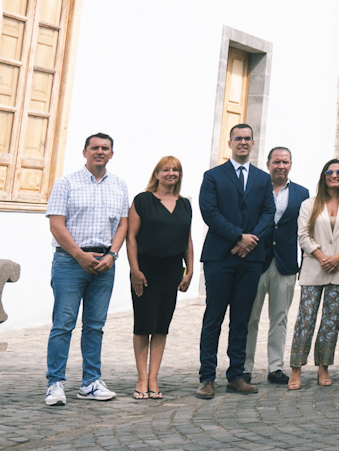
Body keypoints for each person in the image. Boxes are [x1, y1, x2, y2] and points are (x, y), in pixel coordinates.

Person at [44, 132, 130, 406]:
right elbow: (57, 224)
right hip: (70, 262)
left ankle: (91, 382)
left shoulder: (119, 185)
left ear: (111, 154)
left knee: (95, 326)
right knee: (63, 325)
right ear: (85, 152)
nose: (100, 152)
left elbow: (123, 225)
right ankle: (55, 384)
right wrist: (79, 255)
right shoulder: (66, 183)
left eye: (105, 148)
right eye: (95, 147)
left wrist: (114, 255)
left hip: (105, 263)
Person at [197, 123, 273, 399]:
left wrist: (250, 240)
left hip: (251, 260)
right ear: (230, 143)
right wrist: (239, 236)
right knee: (213, 318)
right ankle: (207, 378)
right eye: (238, 138)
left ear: (253, 144)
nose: (242, 142)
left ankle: (236, 375)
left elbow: (269, 213)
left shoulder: (263, 179)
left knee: (241, 319)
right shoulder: (213, 176)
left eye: (247, 139)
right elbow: (210, 212)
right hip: (219, 258)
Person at [126, 156, 194, 399]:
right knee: (144, 324)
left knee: (161, 325)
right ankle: (141, 378)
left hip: (172, 270)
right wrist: (135, 270)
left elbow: (187, 239)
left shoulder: (185, 204)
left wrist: (190, 270)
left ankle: (154, 377)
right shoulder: (142, 201)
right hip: (145, 269)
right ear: (156, 174)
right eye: (165, 169)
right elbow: (131, 237)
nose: (171, 173)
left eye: (175, 170)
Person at [290, 159, 339, 389]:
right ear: (323, 176)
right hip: (314, 266)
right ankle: (296, 368)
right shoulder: (309, 204)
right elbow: (303, 235)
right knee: (305, 319)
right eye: (330, 172)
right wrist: (321, 256)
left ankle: (323, 367)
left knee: (331, 321)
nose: (334, 175)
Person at [243, 147, 307, 386]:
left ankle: (275, 368)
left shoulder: (302, 193)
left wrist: (303, 262)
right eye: (277, 161)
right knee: (250, 317)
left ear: (291, 164)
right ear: (268, 163)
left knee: (279, 318)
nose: (281, 166)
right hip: (255, 260)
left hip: (285, 262)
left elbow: (303, 230)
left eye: (285, 162)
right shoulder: (255, 188)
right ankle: (245, 367)